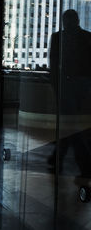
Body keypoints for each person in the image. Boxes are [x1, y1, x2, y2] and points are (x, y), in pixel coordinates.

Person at [48, 9, 91, 179]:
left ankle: (58, 159)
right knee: (73, 126)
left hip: (67, 87)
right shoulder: (87, 37)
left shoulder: (58, 38)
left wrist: (56, 87)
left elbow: (53, 63)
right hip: (81, 87)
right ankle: (77, 163)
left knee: (69, 126)